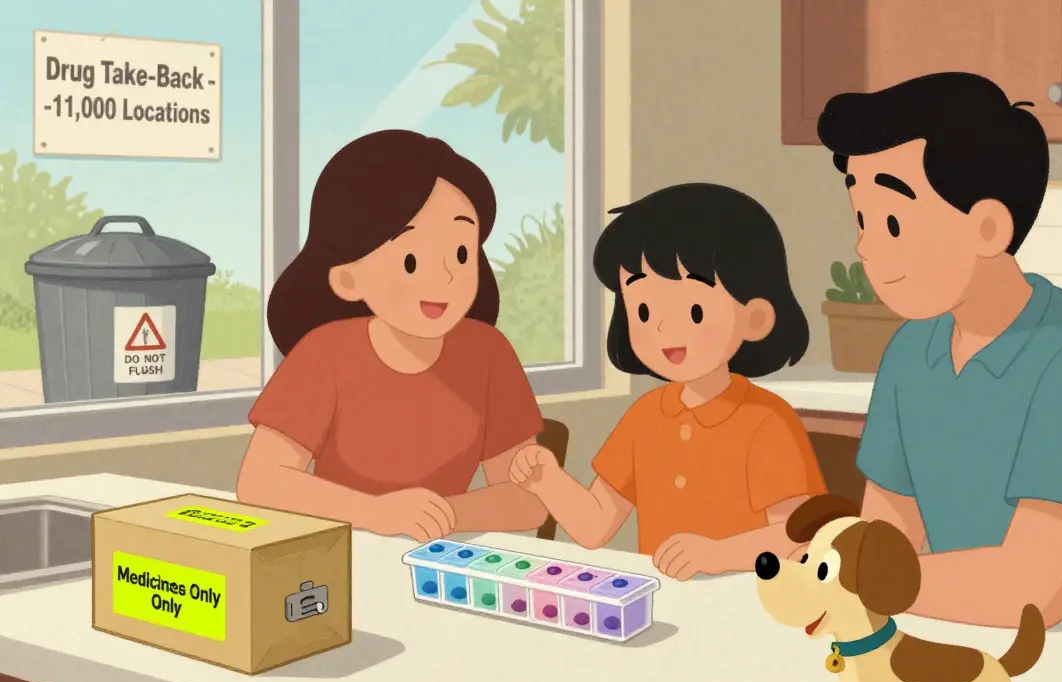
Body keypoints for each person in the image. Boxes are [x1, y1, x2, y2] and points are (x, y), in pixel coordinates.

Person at [816, 72, 1062, 630]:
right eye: (861, 219)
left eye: (891, 222)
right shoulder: (911, 351)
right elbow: (883, 538)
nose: (865, 245)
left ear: (987, 227)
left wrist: (853, 578)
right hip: (963, 641)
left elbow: (1030, 591)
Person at [236, 130, 548, 542]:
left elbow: (528, 500)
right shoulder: (324, 353)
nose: (445, 276)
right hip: (344, 552)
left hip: (442, 554)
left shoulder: (488, 353)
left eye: (460, 253)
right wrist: (374, 513)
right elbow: (260, 481)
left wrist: (439, 515)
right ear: (348, 277)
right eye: (411, 260)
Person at [508, 183, 826, 580]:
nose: (661, 328)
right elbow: (596, 526)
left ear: (755, 318)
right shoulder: (644, 417)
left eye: (694, 310)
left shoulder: (767, 421)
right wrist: (548, 481)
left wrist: (718, 555)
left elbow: (798, 538)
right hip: (662, 600)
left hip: (748, 603)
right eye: (643, 310)